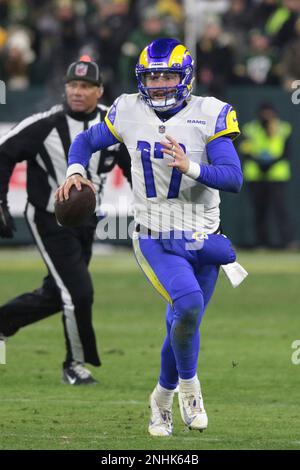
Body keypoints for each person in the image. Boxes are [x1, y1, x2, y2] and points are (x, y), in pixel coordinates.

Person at [56, 38, 243, 435]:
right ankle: (190, 389)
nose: (159, 84)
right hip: (155, 236)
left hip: (202, 237)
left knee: (183, 320)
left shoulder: (209, 113)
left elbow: (233, 177)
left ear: (186, 77)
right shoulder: (128, 109)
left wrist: (191, 166)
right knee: (188, 304)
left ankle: (161, 397)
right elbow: (86, 140)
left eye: (168, 75)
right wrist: (75, 169)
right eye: (152, 76)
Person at [0, 56, 131, 385]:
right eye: (72, 84)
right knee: (79, 294)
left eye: (85, 86)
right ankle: (74, 364)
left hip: (87, 219)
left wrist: (150, 205)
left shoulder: (114, 125)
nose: (77, 91)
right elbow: (3, 153)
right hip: (48, 218)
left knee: (58, 294)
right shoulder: (45, 124)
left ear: (99, 91)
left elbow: (133, 167)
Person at [240, 103, 293, 248]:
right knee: (259, 211)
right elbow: (245, 150)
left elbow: (287, 152)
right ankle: (262, 243)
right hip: (256, 175)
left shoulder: (283, 128)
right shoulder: (250, 128)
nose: (266, 116)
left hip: (276, 176)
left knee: (280, 210)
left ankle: (287, 242)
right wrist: (259, 163)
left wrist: (270, 164)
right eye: (264, 113)